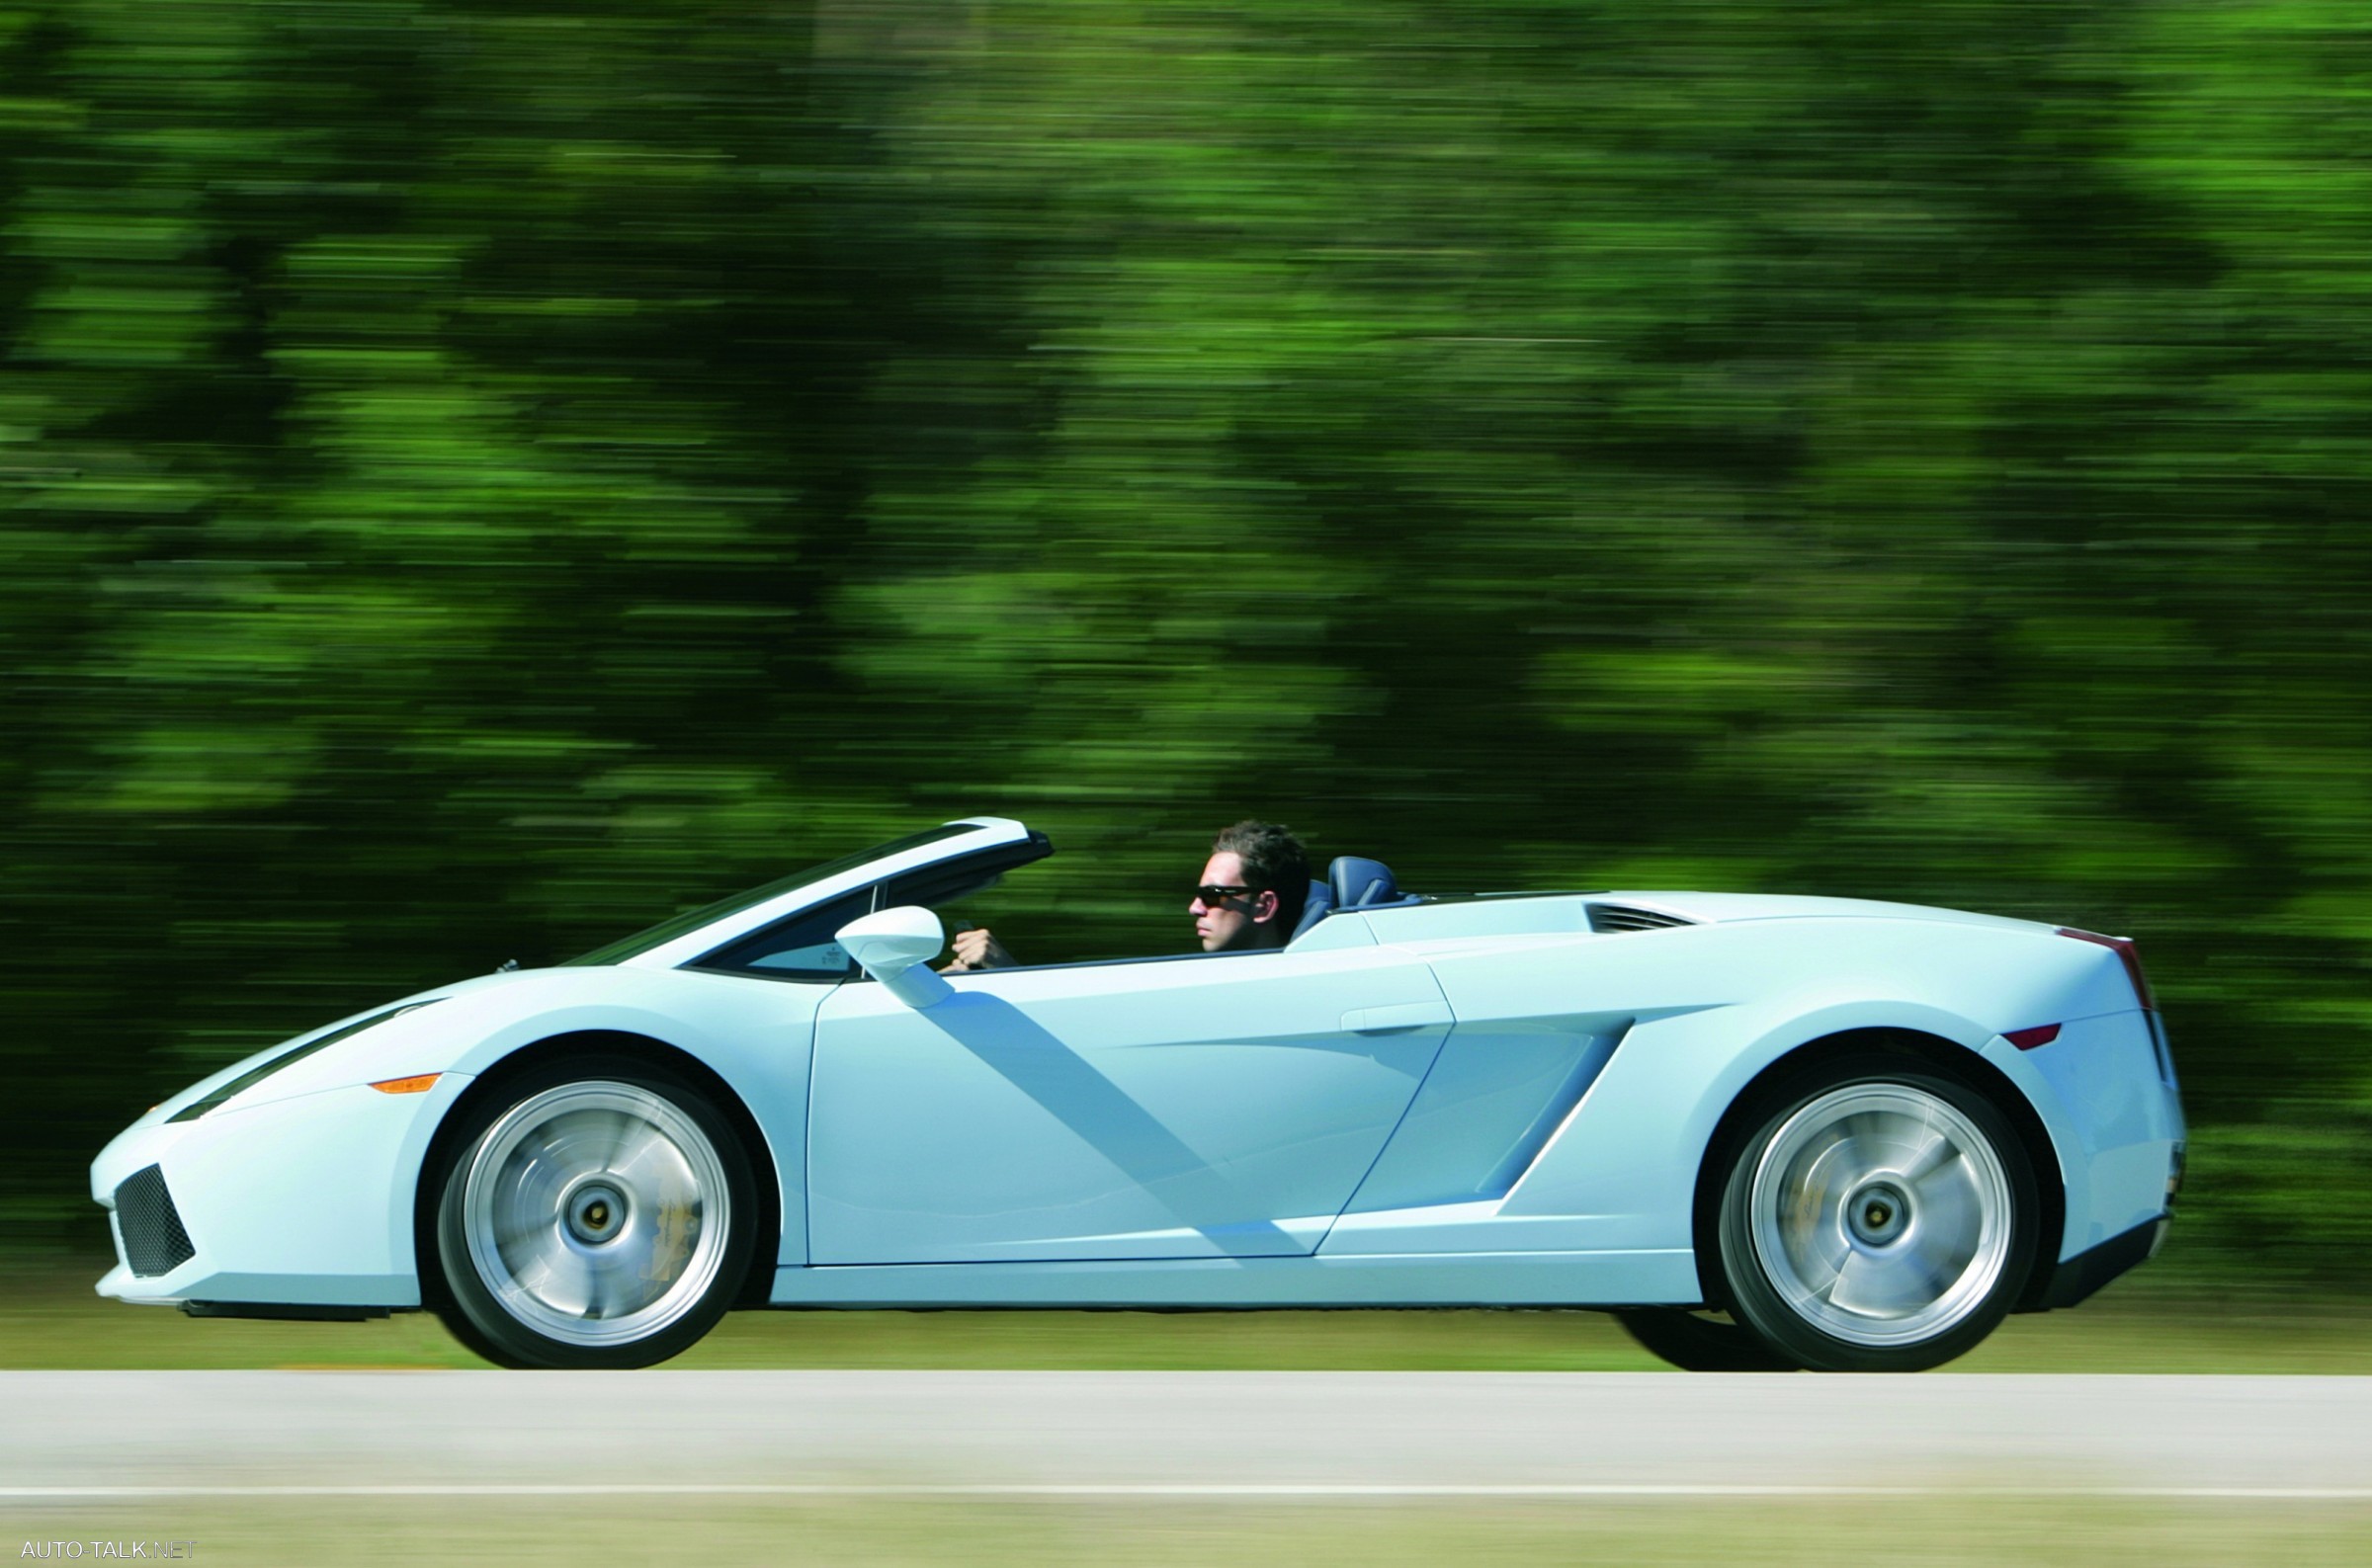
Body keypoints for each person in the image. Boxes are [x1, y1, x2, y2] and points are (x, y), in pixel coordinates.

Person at [941, 819, 1312, 972]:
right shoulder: (1217, 979)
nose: (1195, 907)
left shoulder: (1262, 993)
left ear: (1263, 906)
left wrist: (1009, 975)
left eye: (1213, 895)